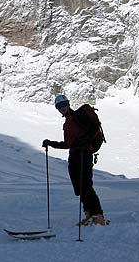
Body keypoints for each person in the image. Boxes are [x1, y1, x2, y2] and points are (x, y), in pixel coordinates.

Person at [42, 94, 106, 226]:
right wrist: (50, 143)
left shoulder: (79, 116)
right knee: (79, 187)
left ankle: (98, 216)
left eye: (64, 105)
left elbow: (94, 126)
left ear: (68, 104)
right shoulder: (67, 124)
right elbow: (68, 144)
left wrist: (85, 139)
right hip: (74, 154)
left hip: (85, 153)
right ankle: (89, 214)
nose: (62, 108)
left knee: (86, 185)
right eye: (59, 107)